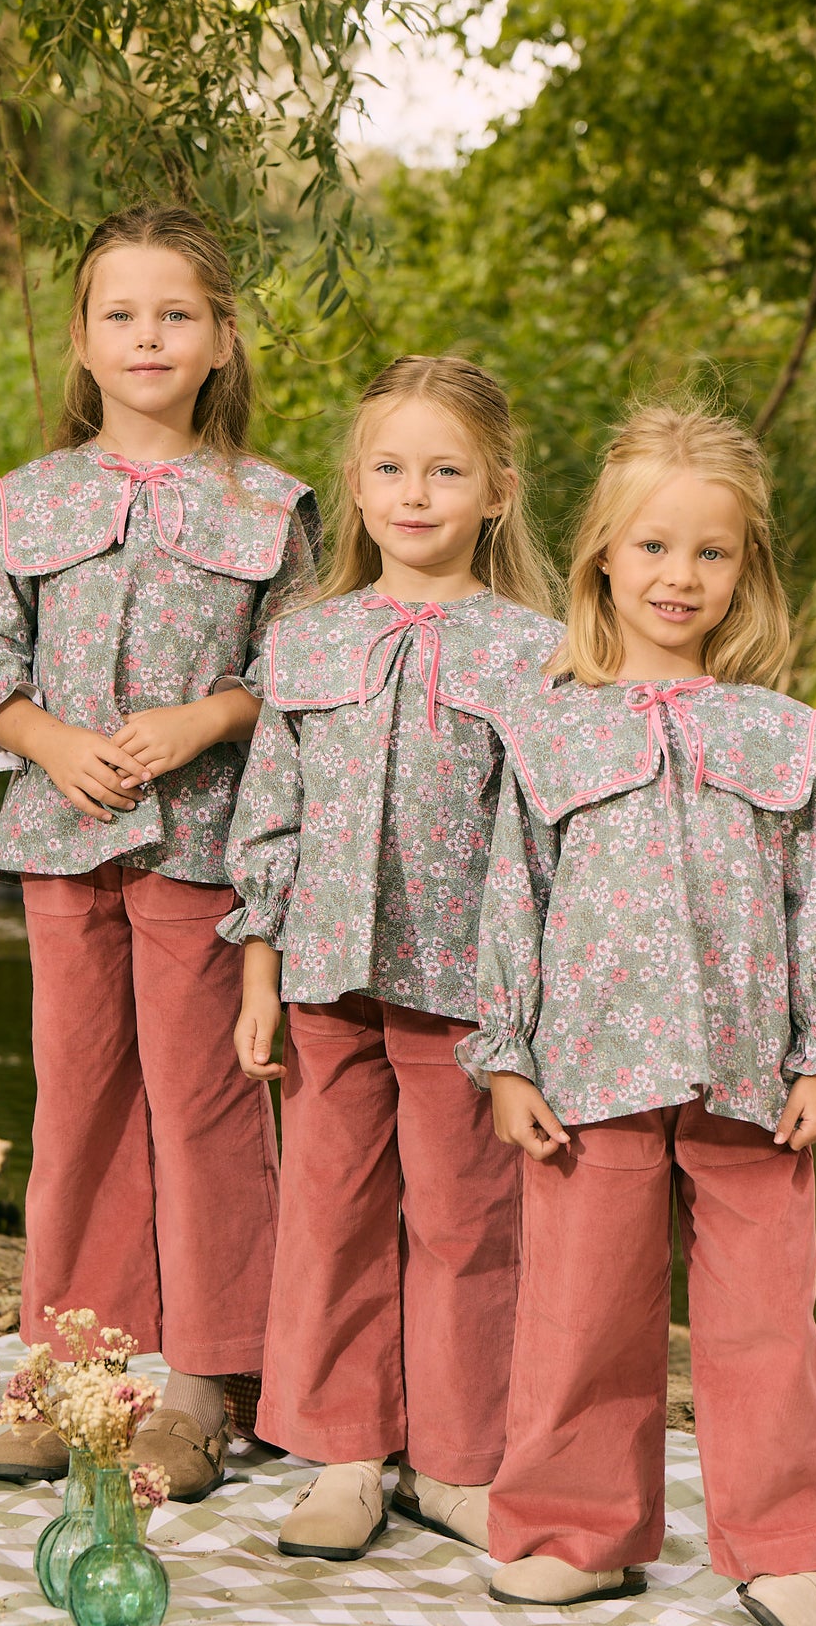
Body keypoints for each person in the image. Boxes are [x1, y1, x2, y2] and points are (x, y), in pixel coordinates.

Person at [460, 400, 816, 1626]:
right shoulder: (549, 727)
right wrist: (505, 1058)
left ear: (743, 568)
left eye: (708, 552)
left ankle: (787, 1543)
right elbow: (510, 900)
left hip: (751, 1071)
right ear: (600, 554)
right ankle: (570, 1531)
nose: (677, 576)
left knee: (762, 1317)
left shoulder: (776, 733)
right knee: (581, 1307)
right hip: (587, 1069)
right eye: (652, 548)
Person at [0, 203, 318, 1500]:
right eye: (121, 313)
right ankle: (69, 1380)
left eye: (176, 313)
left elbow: (302, 666)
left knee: (208, 1107)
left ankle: (209, 1388)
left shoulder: (270, 507)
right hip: (65, 840)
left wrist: (209, 715)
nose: (147, 334)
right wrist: (45, 736)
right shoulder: (31, 499)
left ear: (219, 338)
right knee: (81, 1097)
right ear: (86, 344)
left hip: (209, 848)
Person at [222, 356, 562, 1560]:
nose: (414, 493)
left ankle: (458, 1458)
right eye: (388, 468)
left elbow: (549, 838)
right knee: (328, 1210)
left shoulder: (541, 652)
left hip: (464, 990)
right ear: (356, 489)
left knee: (469, 1218)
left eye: (444, 470)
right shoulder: (308, 643)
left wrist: (531, 1007)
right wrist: (258, 970)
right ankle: (343, 1451)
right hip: (321, 975)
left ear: (496, 493)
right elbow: (266, 814)